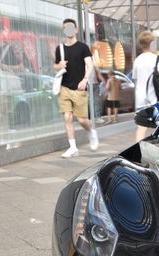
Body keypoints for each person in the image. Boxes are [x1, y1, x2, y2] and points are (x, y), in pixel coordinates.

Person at [54, 18, 98, 158]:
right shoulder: (59, 49)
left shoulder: (83, 47)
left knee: (81, 119)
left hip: (79, 87)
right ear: (63, 30)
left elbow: (90, 65)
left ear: (76, 30)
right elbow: (55, 67)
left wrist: (85, 80)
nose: (68, 30)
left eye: (71, 27)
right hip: (64, 87)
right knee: (67, 117)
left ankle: (91, 131)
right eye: (65, 27)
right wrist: (59, 66)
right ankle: (73, 147)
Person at [133, 30, 159, 142]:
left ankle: (138, 150)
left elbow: (136, 78)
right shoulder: (157, 59)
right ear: (152, 44)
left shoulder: (137, 60)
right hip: (155, 98)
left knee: (142, 127)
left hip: (141, 98)